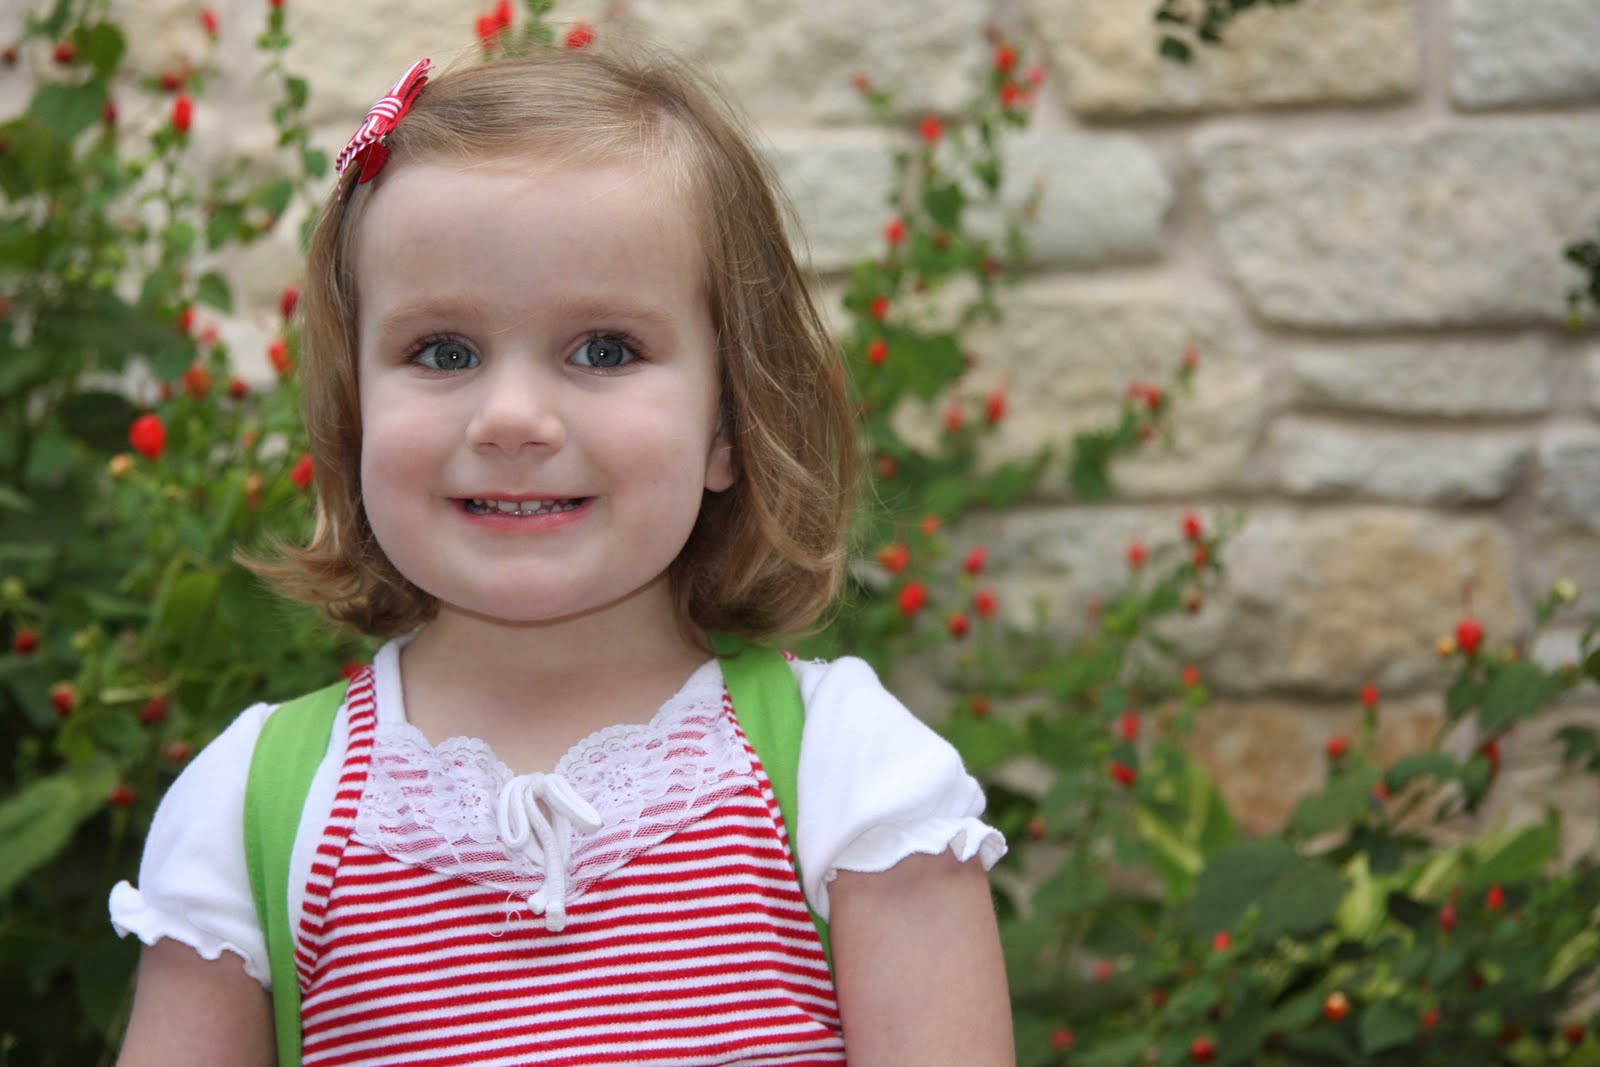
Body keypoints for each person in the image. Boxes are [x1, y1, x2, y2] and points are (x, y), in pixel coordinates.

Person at [110, 38, 1012, 1067]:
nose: (512, 417)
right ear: (354, 410)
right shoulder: (256, 810)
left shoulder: (848, 775)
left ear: (727, 422)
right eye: (444, 351)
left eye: (604, 349)